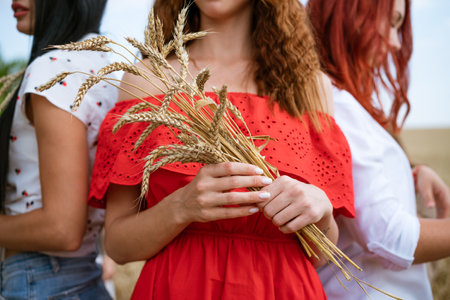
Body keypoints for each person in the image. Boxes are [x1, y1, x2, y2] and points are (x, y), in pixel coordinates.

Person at [87, 0, 355, 299]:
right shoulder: (149, 79)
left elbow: (321, 255)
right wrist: (182, 206)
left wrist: (321, 212)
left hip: (285, 290)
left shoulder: (309, 84)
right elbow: (119, 246)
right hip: (179, 289)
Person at [307, 0, 450, 299]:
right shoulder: (336, 104)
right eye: (391, 21)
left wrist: (411, 174)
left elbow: (355, 195)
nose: (396, 42)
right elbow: (389, 239)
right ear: (348, 14)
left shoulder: (341, 102)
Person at [0, 0, 117, 298]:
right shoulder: (103, 67)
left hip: (41, 279)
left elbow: (61, 228)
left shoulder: (54, 69)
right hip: (77, 277)